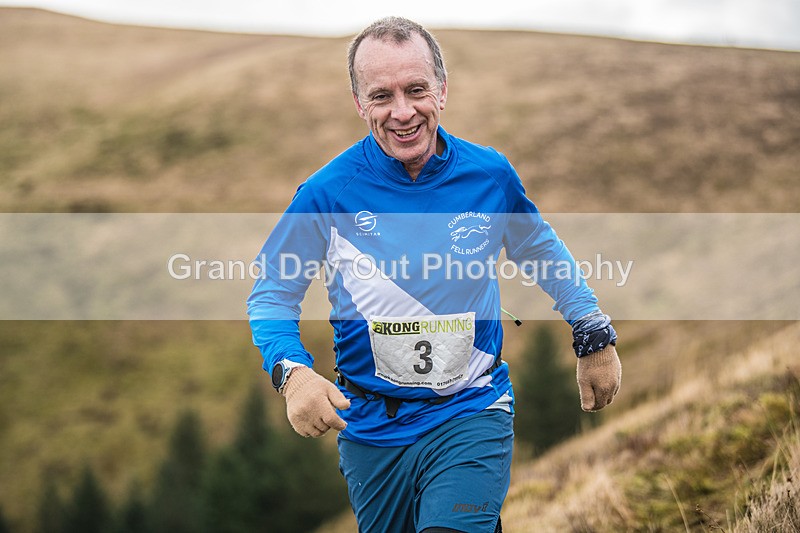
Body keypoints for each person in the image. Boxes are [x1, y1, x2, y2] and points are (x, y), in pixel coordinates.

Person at [247, 16, 621, 533]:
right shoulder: (325, 194)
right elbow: (272, 293)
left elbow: (540, 249)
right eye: (382, 96)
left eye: (416, 90)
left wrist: (592, 331)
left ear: (442, 91)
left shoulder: (488, 175)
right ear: (359, 103)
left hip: (472, 409)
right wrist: (292, 373)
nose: (403, 112)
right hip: (373, 431)